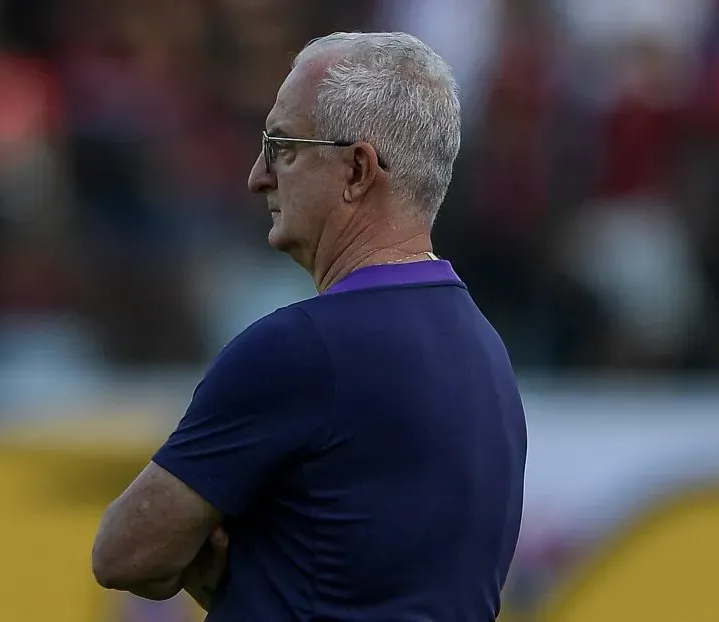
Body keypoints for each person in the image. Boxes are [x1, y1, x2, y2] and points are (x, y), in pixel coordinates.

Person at [91, 31, 527, 621]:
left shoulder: (301, 348)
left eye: (282, 146)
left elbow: (123, 554)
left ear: (356, 169)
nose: (257, 176)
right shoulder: (488, 355)